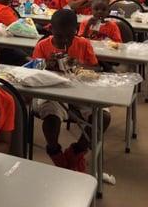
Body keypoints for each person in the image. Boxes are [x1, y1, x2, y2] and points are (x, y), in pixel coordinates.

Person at [31, 9, 108, 172]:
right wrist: (47, 65)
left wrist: (78, 65)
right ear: (51, 30)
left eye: (69, 36)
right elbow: (34, 71)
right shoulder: (43, 45)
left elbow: (96, 67)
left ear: (76, 31)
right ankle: (54, 150)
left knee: (103, 117)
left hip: (80, 90)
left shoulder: (83, 44)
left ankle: (77, 151)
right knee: (52, 117)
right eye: (59, 36)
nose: (65, 40)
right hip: (53, 91)